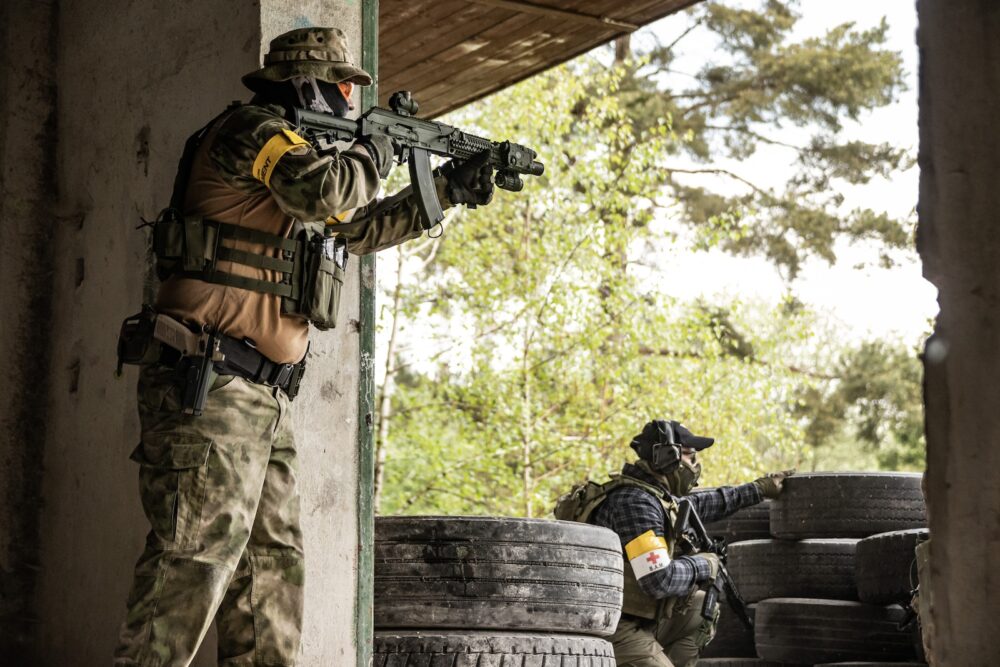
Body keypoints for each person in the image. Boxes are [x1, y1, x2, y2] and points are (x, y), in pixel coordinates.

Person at [113, 27, 494, 666]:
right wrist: (376, 147)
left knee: (271, 571)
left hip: (263, 395)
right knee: (194, 558)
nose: (350, 99)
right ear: (308, 86)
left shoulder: (303, 166)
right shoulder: (253, 132)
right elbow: (328, 192)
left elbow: (358, 226)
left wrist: (446, 191)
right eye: (344, 86)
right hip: (210, 383)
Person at [554, 419, 794, 667]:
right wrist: (703, 565)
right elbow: (658, 580)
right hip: (608, 625)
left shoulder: (654, 497)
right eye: (691, 457)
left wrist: (758, 489)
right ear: (668, 457)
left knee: (702, 608)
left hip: (637, 618)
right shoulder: (635, 505)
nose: (696, 465)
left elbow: (704, 504)